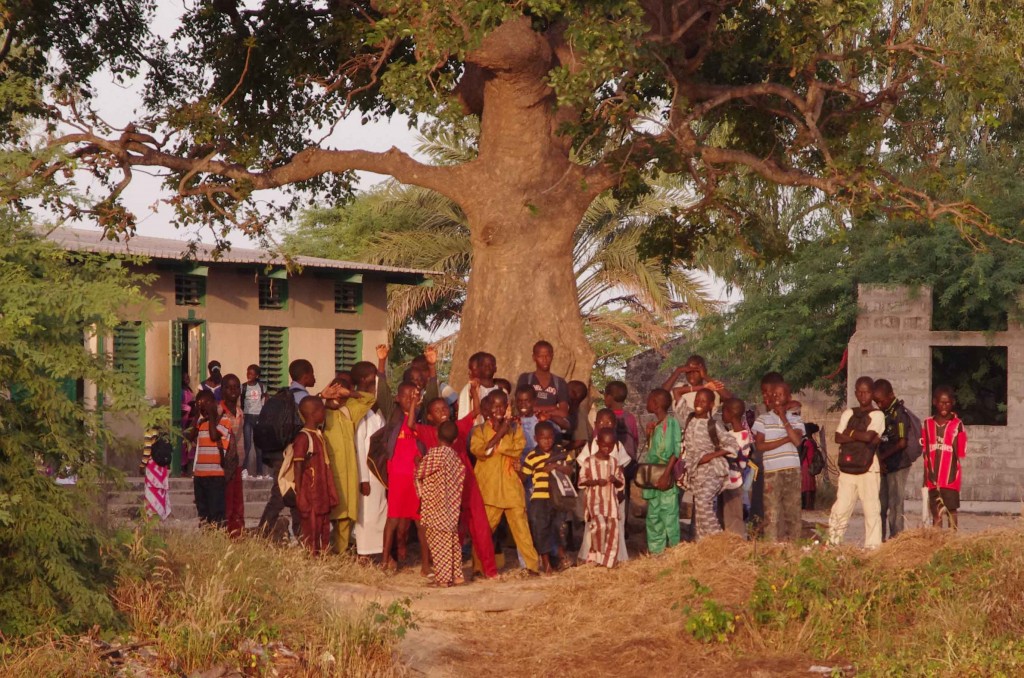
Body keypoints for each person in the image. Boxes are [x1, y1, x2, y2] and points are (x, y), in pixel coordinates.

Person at [415, 389, 499, 579]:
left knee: (479, 523)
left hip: (465, 479)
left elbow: (476, 411)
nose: (443, 411)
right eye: (437, 410)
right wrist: (415, 404)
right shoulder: (428, 431)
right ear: (429, 416)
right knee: (448, 528)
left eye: (445, 407)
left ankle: (490, 569)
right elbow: (411, 424)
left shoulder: (458, 427)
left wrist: (474, 392)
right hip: (442, 486)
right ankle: (450, 570)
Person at [471, 389, 540, 574]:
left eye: (503, 405)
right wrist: (500, 434)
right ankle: (479, 566)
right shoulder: (479, 431)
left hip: (511, 488)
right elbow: (481, 451)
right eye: (495, 406)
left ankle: (532, 566)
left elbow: (516, 450)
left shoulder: (516, 429)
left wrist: (497, 443)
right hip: (490, 490)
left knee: (521, 528)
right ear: (488, 408)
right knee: (484, 530)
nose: (499, 409)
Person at [323, 370, 376, 555]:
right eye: (335, 390)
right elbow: (303, 411)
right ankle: (321, 551)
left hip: (348, 474)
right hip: (328, 473)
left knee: (345, 517)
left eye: (341, 391)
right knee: (325, 514)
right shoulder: (320, 412)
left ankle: (340, 552)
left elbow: (369, 400)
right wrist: (322, 396)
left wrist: (350, 394)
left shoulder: (349, 411)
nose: (338, 395)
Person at [828, 376, 884, 548]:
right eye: (859, 392)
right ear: (855, 393)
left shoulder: (878, 415)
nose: (863, 395)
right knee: (841, 508)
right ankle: (833, 543)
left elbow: (869, 437)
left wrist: (850, 433)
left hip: (869, 469)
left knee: (871, 510)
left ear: (872, 393)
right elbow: (838, 437)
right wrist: (862, 436)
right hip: (847, 469)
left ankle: (873, 548)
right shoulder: (849, 413)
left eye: (866, 392)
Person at [380, 382, 430, 574]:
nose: (411, 398)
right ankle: (384, 562)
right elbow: (381, 394)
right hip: (398, 477)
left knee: (420, 521)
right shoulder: (393, 420)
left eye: (414, 395)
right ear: (397, 399)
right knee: (392, 520)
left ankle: (425, 565)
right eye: (407, 396)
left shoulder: (420, 422)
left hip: (416, 478)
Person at [680, 389, 738, 541]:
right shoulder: (689, 420)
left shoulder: (713, 425)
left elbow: (733, 445)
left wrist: (711, 455)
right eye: (697, 400)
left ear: (711, 405)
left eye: (703, 401)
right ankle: (704, 545)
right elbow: (676, 394)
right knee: (699, 511)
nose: (699, 403)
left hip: (713, 470)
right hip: (696, 472)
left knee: (703, 503)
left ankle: (719, 540)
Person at [752, 380, 805, 542]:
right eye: (774, 394)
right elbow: (760, 445)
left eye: (780, 395)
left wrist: (783, 418)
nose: (776, 397)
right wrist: (784, 440)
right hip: (772, 471)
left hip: (792, 470)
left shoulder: (795, 419)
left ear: (788, 398)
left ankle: (794, 548)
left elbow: (797, 441)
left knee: (792, 511)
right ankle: (772, 547)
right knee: (772, 512)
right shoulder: (763, 419)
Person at [415, 421, 467, 587]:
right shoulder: (454, 456)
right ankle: (457, 575)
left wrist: (418, 462)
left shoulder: (436, 454)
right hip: (451, 508)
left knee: (439, 545)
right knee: (452, 543)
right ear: (455, 439)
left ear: (436, 434)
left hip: (435, 508)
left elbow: (421, 472)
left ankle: (443, 579)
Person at [576, 408, 631, 563]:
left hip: (613, 497)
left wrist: (620, 490)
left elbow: (621, 470)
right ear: (595, 425)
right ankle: (591, 556)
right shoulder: (590, 446)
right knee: (594, 527)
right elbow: (583, 472)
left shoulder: (617, 445)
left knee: (615, 527)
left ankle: (616, 557)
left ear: (615, 425)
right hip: (595, 498)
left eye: (609, 422)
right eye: (601, 422)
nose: (605, 424)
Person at [522, 421, 574, 574]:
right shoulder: (532, 456)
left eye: (550, 438)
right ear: (536, 438)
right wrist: (515, 469)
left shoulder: (560, 451)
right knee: (541, 529)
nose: (547, 441)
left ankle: (560, 557)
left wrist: (556, 467)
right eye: (543, 438)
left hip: (558, 497)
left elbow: (570, 470)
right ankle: (546, 563)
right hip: (539, 498)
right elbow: (524, 476)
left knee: (558, 528)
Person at [355, 346, 390, 562]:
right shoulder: (361, 412)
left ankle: (377, 550)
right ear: (365, 378)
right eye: (373, 374)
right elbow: (359, 445)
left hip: (379, 469)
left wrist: (382, 363)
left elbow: (382, 391)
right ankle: (363, 553)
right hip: (367, 470)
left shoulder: (375, 411)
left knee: (379, 511)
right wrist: (363, 478)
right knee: (366, 513)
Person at [292, 396, 338, 555]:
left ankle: (323, 553)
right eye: (322, 410)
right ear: (313, 414)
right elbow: (297, 465)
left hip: (321, 492)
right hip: (310, 492)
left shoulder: (318, 434)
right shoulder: (303, 437)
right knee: (311, 526)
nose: (324, 413)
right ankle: (311, 554)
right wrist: (299, 492)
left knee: (323, 524)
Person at [872, 378, 913, 540]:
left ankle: (896, 539)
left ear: (891, 395)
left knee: (896, 505)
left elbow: (902, 443)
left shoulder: (899, 413)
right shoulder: (881, 413)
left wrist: (881, 458)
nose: (879, 404)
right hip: (883, 465)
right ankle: (878, 539)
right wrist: (879, 461)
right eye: (876, 402)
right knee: (880, 505)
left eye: (881, 401)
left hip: (898, 465)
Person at [922, 386, 967, 530]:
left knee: (951, 511)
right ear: (935, 402)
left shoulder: (957, 425)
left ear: (952, 403)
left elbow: (960, 452)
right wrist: (926, 479)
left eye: (947, 403)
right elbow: (925, 453)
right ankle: (937, 542)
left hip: (950, 478)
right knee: (936, 513)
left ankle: (952, 541)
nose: (944, 406)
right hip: (933, 478)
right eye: (941, 402)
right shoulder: (927, 424)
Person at [642, 388, 681, 554]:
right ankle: (657, 553)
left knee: (669, 516)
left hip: (665, 476)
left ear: (656, 404)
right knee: (653, 517)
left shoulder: (671, 423)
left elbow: (675, 451)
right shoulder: (655, 425)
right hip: (653, 477)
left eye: (649, 400)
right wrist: (648, 435)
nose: (646, 403)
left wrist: (666, 475)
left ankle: (675, 552)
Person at [185, 389, 231, 527]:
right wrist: (196, 416)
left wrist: (211, 415)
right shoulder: (200, 422)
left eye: (205, 405)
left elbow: (213, 436)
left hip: (216, 475)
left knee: (216, 512)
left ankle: (218, 538)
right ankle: (206, 536)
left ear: (213, 404)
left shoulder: (224, 420)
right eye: (200, 406)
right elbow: (190, 437)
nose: (203, 409)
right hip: (200, 474)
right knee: (203, 512)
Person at [603, 380, 640, 534]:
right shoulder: (630, 417)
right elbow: (636, 439)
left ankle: (609, 525)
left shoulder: (604, 416)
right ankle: (623, 526)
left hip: (608, 462)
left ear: (610, 397)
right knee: (624, 494)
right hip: (627, 463)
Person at [516, 340, 570, 429]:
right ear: (534, 357)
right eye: (540, 356)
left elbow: (563, 412)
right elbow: (522, 407)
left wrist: (544, 414)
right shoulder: (526, 379)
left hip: (550, 425)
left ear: (552, 356)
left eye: (547, 356)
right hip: (528, 424)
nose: (544, 360)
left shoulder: (559, 382)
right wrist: (552, 408)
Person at [662, 354, 731, 418]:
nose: (691, 374)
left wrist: (705, 376)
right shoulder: (681, 386)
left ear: (703, 371)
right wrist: (677, 371)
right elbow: (660, 395)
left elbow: (729, 398)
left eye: (696, 371)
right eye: (688, 371)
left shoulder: (711, 390)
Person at [720, 397, 751, 537]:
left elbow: (738, 457)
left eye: (723, 412)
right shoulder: (730, 434)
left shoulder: (743, 435)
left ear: (730, 413)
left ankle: (738, 541)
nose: (722, 415)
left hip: (734, 481)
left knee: (734, 516)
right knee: (725, 514)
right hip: (725, 481)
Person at [220, 373, 246, 537]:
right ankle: (227, 530)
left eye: (236, 387)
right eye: (229, 388)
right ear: (223, 390)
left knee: (238, 498)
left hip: (237, 461)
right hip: (223, 462)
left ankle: (238, 531)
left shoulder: (239, 412)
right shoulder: (218, 410)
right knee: (227, 497)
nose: (233, 391)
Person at [458, 353, 500, 421]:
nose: (488, 367)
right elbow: (463, 416)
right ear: (479, 368)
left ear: (495, 369)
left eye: (491, 364)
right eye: (484, 365)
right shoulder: (469, 389)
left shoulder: (501, 390)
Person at [242, 364, 267, 478]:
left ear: (257, 375)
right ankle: (244, 469)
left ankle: (260, 472)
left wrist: (265, 410)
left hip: (258, 417)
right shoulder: (243, 387)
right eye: (248, 372)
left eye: (251, 373)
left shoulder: (261, 386)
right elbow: (241, 401)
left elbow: (266, 397)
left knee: (258, 446)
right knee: (246, 445)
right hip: (247, 417)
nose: (249, 375)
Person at [180, 374, 196, 476]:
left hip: (190, 420)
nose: (187, 380)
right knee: (182, 444)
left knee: (189, 445)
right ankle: (182, 468)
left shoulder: (189, 390)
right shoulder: (180, 391)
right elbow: (179, 405)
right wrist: (188, 408)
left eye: (188, 378)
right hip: (183, 420)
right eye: (184, 378)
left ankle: (188, 469)